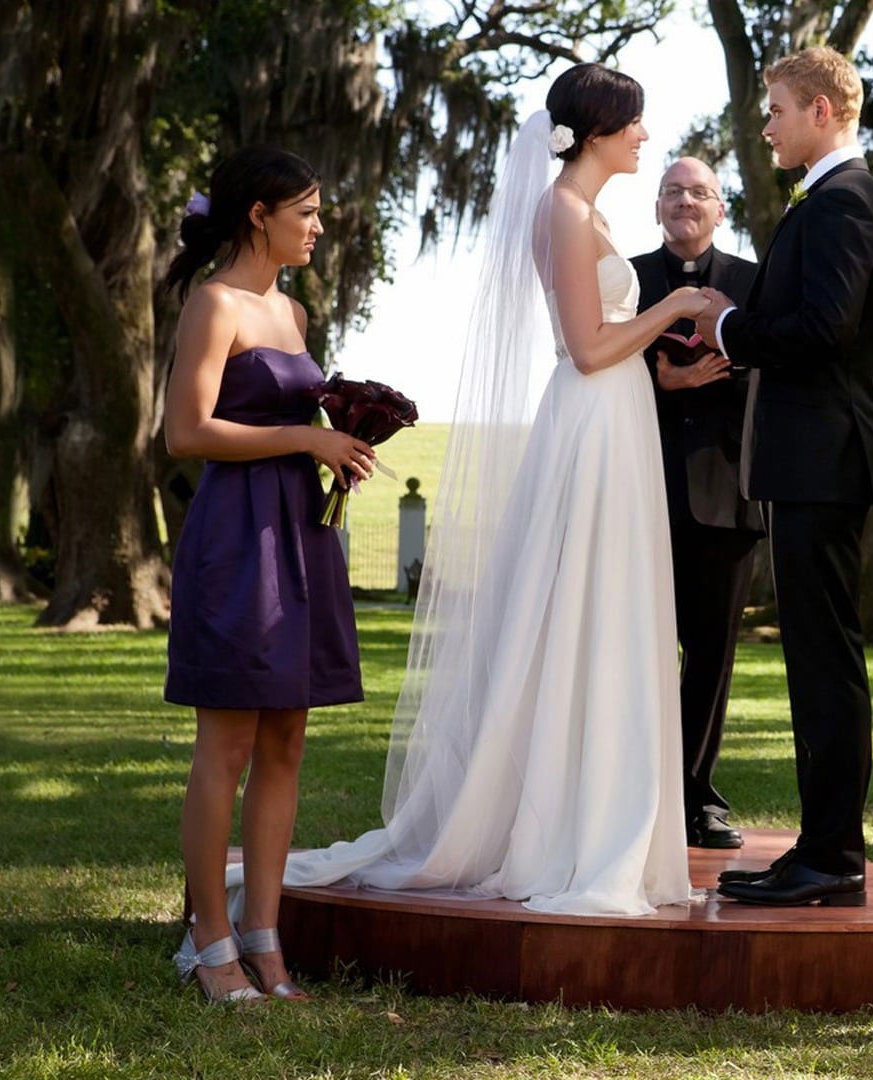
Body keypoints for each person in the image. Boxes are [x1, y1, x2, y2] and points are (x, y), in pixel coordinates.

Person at [234, 63, 710, 917]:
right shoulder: (563, 211)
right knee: (580, 611)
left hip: (622, 421)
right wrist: (673, 302)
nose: (645, 135)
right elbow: (587, 348)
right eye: (634, 122)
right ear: (596, 130)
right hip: (591, 425)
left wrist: (668, 375)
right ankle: (562, 824)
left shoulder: (592, 211)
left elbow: (612, 350)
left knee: (615, 608)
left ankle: (607, 809)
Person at [161, 146, 375, 1002]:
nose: (320, 227)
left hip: (300, 535)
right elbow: (186, 432)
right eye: (308, 213)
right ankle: (208, 942)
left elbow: (293, 415)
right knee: (230, 742)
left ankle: (264, 935)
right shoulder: (214, 304)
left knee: (288, 737)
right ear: (260, 215)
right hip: (236, 538)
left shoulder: (288, 311)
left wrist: (340, 445)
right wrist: (304, 436)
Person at [692, 46, 873, 908]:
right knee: (815, 660)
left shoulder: (844, 202)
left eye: (775, 110)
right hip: (808, 461)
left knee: (826, 663)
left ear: (822, 110)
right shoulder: (826, 198)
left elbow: (823, 330)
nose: (765, 125)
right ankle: (821, 849)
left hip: (825, 459)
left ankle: (832, 857)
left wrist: (729, 325)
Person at [629, 156, 762, 850]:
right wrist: (668, 384)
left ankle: (695, 797)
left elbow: (775, 370)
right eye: (673, 192)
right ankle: (628, 794)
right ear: (657, 207)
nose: (686, 202)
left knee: (710, 656)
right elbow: (595, 366)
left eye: (700, 193)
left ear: (720, 209)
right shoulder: (626, 278)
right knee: (631, 650)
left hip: (726, 497)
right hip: (633, 492)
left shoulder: (751, 282)